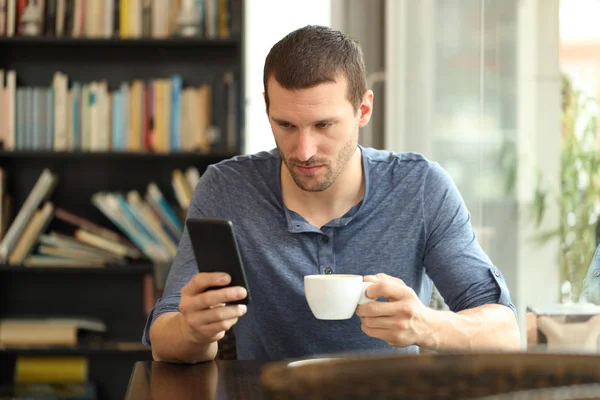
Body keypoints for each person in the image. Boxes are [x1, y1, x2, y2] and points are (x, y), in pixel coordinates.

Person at [142, 25, 520, 363]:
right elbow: (164, 338)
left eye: (324, 125)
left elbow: (505, 334)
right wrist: (193, 331)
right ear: (267, 110)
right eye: (285, 124)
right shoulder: (227, 188)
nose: (303, 150)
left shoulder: (420, 187)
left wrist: (425, 325)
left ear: (363, 109)